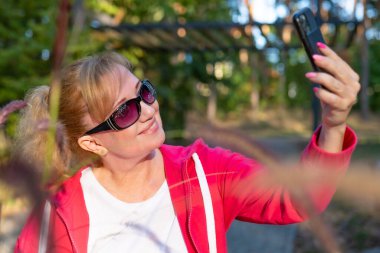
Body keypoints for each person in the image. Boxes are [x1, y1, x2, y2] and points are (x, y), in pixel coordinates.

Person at [14, 43, 359, 253]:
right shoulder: (54, 215)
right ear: (91, 142)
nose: (148, 110)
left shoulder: (204, 171)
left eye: (144, 92)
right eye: (126, 111)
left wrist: (334, 123)